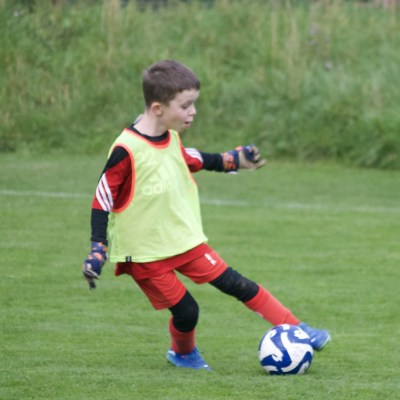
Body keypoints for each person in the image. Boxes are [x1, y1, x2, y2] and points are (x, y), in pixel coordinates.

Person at [82, 60, 330, 371]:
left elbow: (193, 158)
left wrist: (233, 160)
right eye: (185, 105)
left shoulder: (171, 138)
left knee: (237, 283)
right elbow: (102, 196)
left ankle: (298, 328)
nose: (193, 112)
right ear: (158, 108)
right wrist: (98, 247)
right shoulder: (127, 149)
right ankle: (182, 353)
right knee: (187, 311)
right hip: (146, 254)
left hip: (183, 241)